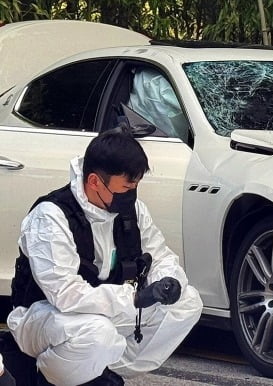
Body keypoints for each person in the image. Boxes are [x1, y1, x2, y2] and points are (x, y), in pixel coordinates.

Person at [7, 127, 203, 385]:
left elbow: (159, 254)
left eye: (135, 186)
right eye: (125, 187)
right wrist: (133, 298)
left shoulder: (131, 211)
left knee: (188, 302)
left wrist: (168, 281)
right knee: (98, 333)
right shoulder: (51, 216)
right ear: (94, 182)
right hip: (44, 318)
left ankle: (104, 370)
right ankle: (47, 375)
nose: (131, 195)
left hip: (106, 311)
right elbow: (65, 294)